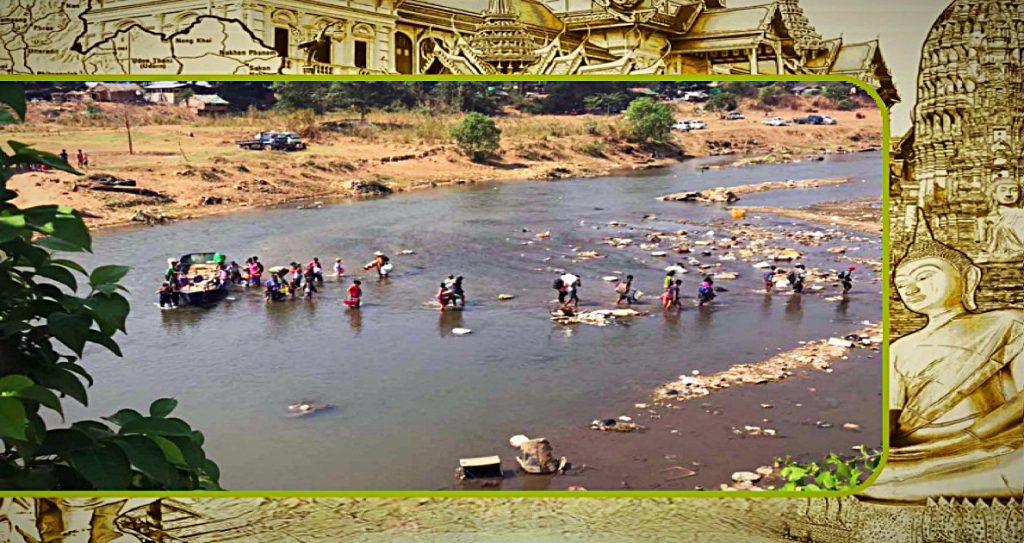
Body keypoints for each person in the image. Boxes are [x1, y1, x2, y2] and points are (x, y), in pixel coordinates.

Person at [862, 209, 1022, 502]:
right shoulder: (900, 348)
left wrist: (973, 436)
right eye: (902, 285)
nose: (911, 289)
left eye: (924, 276)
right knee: (875, 477)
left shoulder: (1008, 323)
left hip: (993, 443)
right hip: (918, 452)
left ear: (968, 277)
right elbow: (891, 416)